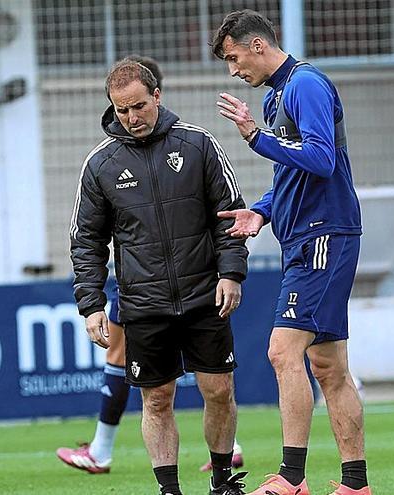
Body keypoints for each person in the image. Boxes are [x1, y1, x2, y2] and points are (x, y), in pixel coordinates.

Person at [57, 54, 245, 477]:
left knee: (218, 390)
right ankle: (169, 490)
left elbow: (230, 214)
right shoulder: (100, 164)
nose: (131, 117)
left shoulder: (197, 144)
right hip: (143, 304)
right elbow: (85, 242)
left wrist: (231, 273)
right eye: (121, 110)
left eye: (139, 106)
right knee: (157, 399)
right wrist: (91, 304)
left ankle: (222, 481)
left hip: (204, 295)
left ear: (156, 96)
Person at [211, 10, 370, 495]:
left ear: (258, 45)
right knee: (328, 367)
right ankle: (355, 485)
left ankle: (292, 479)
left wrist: (256, 137)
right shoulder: (280, 94)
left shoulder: (305, 85)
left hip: (325, 234)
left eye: (235, 58)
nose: (234, 71)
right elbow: (292, 173)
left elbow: (321, 160)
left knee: (283, 353)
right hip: (303, 236)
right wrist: (261, 211)